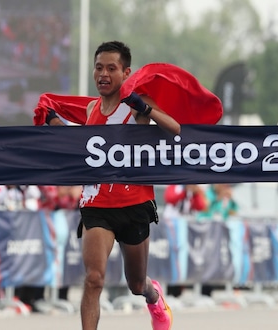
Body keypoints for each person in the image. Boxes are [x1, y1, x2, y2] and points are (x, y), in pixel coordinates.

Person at [43, 41, 178, 330]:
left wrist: (147, 110)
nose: (103, 74)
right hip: (96, 204)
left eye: (111, 68)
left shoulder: (137, 105)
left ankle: (155, 299)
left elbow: (176, 129)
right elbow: (81, 145)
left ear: (126, 72)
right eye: (99, 67)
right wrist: (53, 122)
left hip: (135, 205)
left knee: (137, 283)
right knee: (94, 279)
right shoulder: (92, 107)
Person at [163, 184, 209, 297]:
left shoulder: (193, 190)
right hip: (172, 225)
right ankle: (171, 290)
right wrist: (184, 191)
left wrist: (196, 193)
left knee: (186, 258)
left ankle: (181, 289)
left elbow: (201, 206)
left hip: (186, 227)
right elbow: (170, 199)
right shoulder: (175, 186)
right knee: (173, 256)